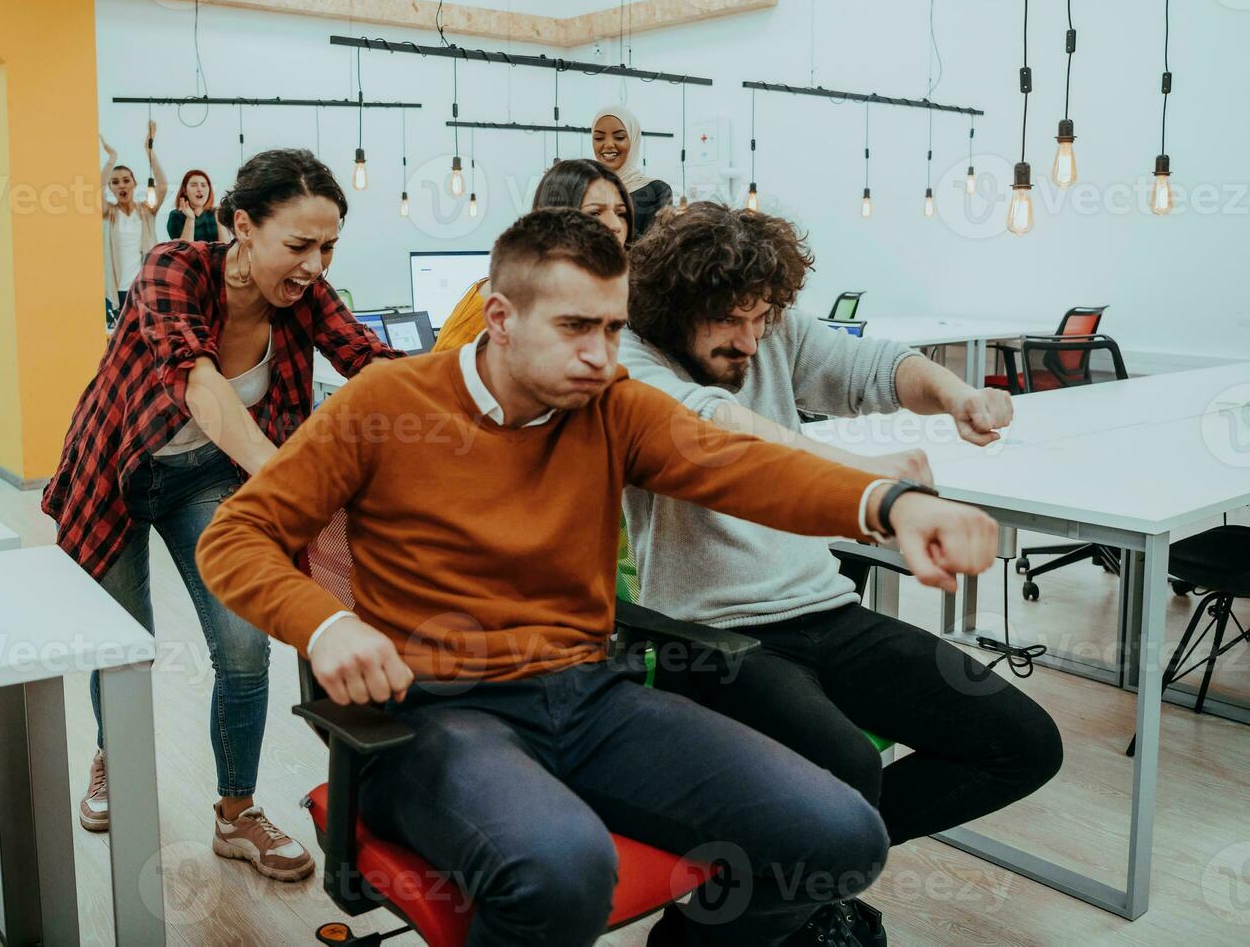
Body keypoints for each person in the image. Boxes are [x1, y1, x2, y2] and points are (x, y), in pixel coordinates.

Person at [196, 208, 1000, 946]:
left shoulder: (613, 404)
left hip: (588, 698)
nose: (601, 354)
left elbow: (743, 467)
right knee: (563, 869)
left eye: (613, 328)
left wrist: (886, 505)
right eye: (576, 326)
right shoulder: (386, 402)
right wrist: (325, 622)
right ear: (502, 319)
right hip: (433, 717)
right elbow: (237, 536)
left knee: (841, 836)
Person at [621, 203, 1065, 942]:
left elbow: (876, 366)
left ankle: (771, 875)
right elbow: (723, 434)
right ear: (676, 306)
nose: (751, 338)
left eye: (762, 316)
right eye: (732, 321)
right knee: (848, 775)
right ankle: (756, 900)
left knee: (1022, 745)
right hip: (710, 636)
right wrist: (872, 483)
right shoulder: (632, 363)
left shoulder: (767, 331)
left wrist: (958, 397)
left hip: (822, 610)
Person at [43, 148, 401, 884]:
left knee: (243, 650)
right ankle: (114, 754)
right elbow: (200, 385)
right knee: (124, 647)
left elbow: (370, 359)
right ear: (242, 226)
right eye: (298, 245)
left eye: (328, 247)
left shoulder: (306, 295)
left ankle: (236, 814)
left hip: (204, 476)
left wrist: (480, 377)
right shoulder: (174, 268)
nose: (313, 264)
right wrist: (290, 480)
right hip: (114, 470)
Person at [432, 158, 634, 352]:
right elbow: (438, 375)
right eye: (594, 213)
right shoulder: (508, 292)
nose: (615, 225)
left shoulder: (598, 290)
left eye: (620, 213)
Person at [102, 119, 169, 325]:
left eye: (126, 180)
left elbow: (163, 185)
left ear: (134, 183)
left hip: (144, 286)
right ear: (110, 188)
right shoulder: (108, 213)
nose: (121, 185)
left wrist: (148, 150)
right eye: (115, 182)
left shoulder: (146, 211)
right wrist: (111, 159)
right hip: (118, 291)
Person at [592, 105, 673, 239]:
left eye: (619, 137)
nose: (608, 145)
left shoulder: (656, 191)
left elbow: (655, 248)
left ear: (634, 139)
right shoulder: (585, 187)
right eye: (599, 138)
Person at [167, 168, 233, 243]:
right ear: (185, 190)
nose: (199, 189)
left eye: (203, 185)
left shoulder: (216, 213)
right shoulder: (176, 215)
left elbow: (226, 248)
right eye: (194, 185)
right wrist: (190, 219)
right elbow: (184, 250)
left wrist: (219, 221)